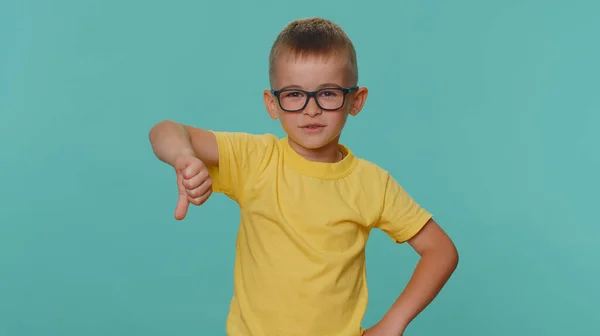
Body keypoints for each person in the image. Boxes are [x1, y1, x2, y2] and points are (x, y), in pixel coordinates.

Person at [148, 17, 458, 336]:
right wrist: (183, 156)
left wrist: (393, 323)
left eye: (327, 93)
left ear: (355, 100)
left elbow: (441, 251)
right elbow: (166, 130)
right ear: (272, 104)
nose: (311, 110)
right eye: (295, 95)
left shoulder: (373, 184)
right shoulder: (255, 159)